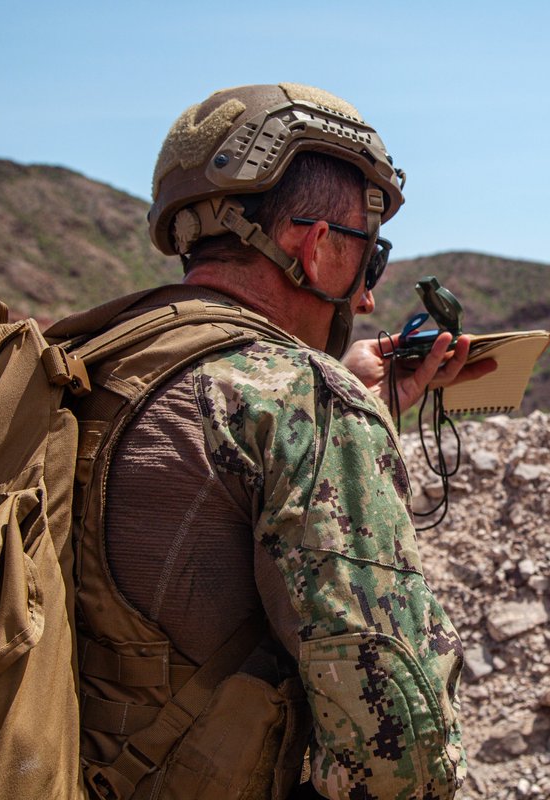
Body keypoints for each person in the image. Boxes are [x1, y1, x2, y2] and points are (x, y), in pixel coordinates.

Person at [64, 83, 491, 799]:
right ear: (320, 246)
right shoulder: (304, 403)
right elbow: (400, 758)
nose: (368, 300)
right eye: (370, 259)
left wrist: (363, 401)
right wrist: (338, 408)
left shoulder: (90, 361)